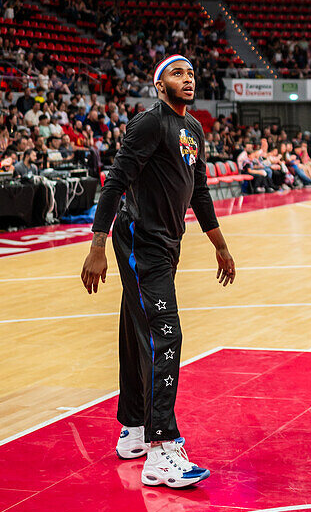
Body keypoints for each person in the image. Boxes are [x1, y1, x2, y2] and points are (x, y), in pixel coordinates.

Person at [80, 55, 235, 489]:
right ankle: (161, 450)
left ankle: (132, 429)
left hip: (166, 244)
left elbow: (199, 190)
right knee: (165, 333)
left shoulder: (194, 129)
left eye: (190, 72)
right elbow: (115, 181)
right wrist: (97, 247)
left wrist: (219, 245)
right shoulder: (149, 123)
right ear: (158, 84)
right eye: (177, 73)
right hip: (139, 241)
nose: (187, 79)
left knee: (137, 331)